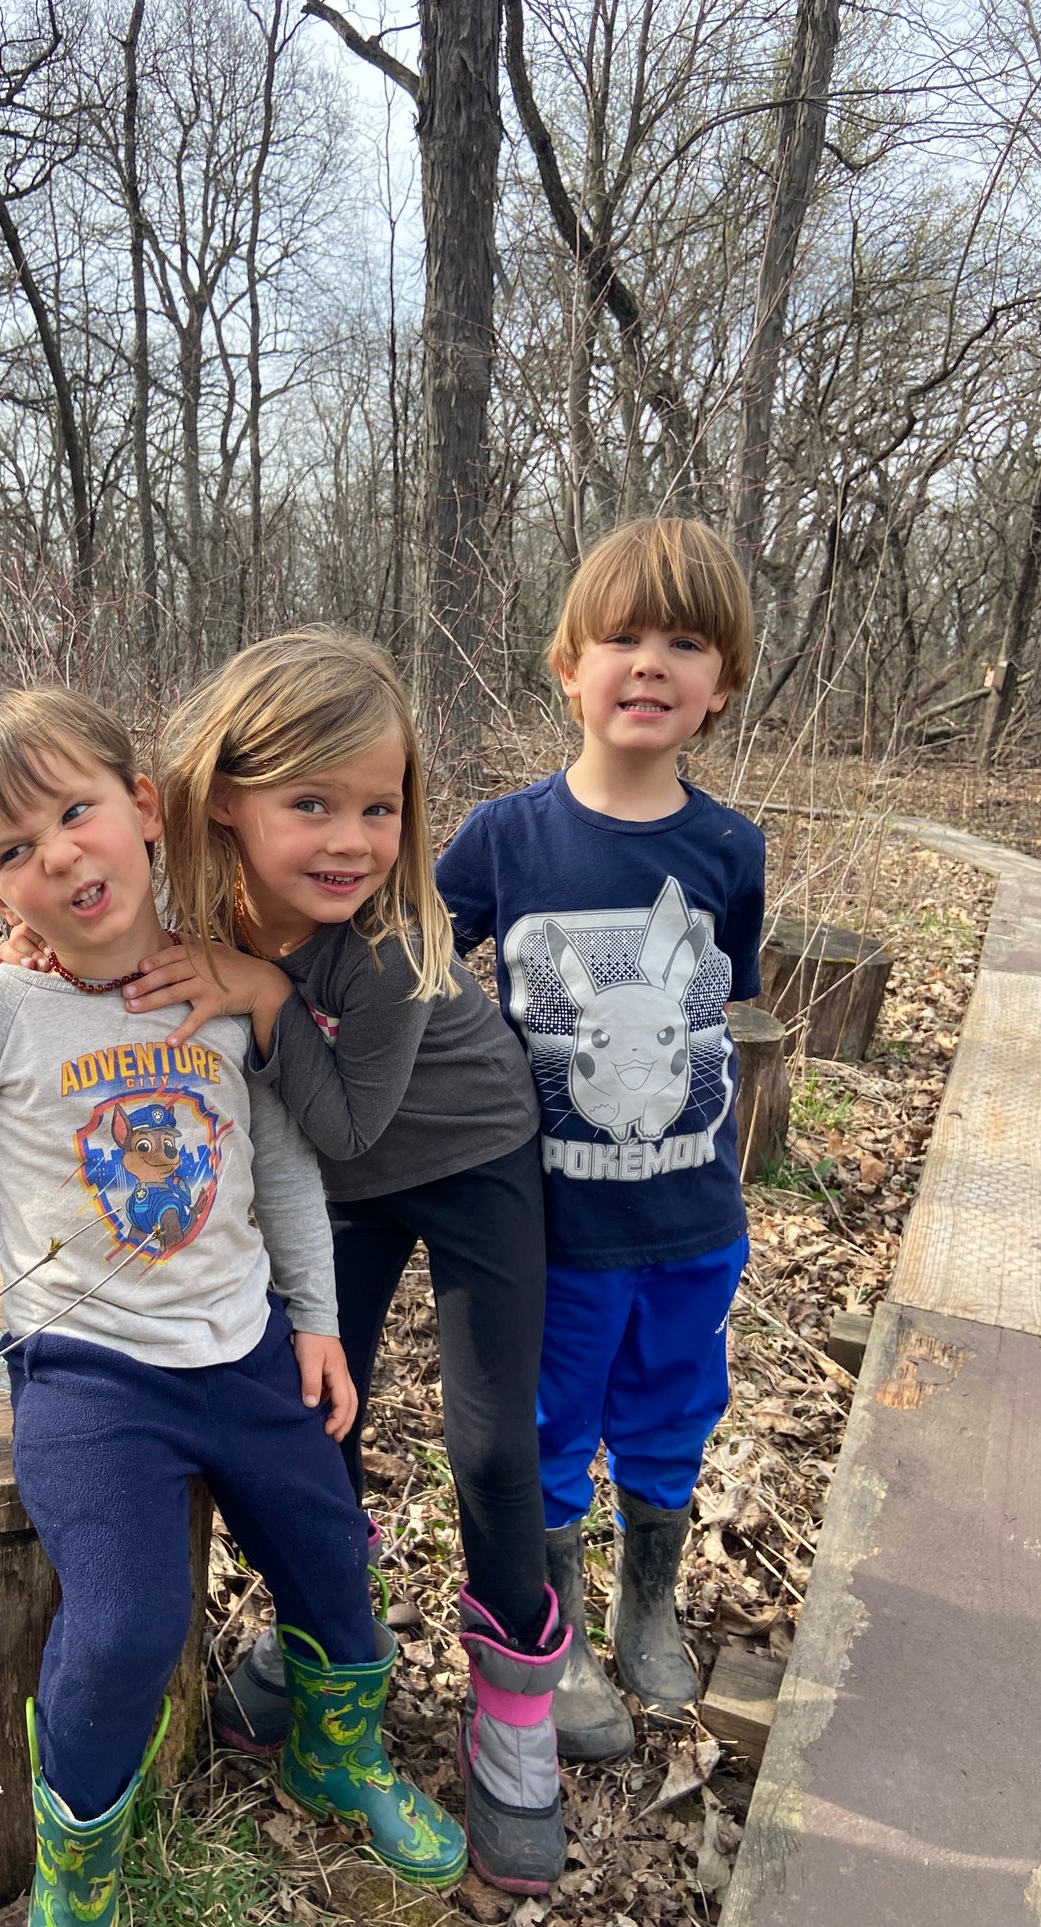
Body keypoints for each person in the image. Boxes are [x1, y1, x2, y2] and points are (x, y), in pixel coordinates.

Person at [0, 688, 467, 1927]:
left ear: (142, 809)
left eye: (76, 812)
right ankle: (76, 1869)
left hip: (241, 1347)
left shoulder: (212, 983)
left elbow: (286, 1157)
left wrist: (309, 1315)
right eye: (13, 850)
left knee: (332, 1555)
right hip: (91, 1375)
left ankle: (334, 1751)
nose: (60, 856)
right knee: (131, 1621)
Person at [119, 633, 568, 1896]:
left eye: (377, 807)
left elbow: (343, 1119)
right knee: (311, 1412)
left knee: (487, 1441)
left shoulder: (383, 940)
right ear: (223, 798)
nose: (349, 839)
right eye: (309, 803)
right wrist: (34, 959)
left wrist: (262, 992)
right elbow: (106, 936)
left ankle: (512, 1709)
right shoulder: (197, 904)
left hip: (476, 1159)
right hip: (340, 1193)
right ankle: (329, 1642)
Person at [436, 517, 765, 1764]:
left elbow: (719, 995)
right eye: (619, 635)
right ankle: (553, 1622)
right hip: (553, 1227)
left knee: (674, 1403)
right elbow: (404, 954)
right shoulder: (506, 839)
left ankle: (648, 1592)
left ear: (717, 689)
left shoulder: (726, 848)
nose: (648, 662)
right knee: (549, 1419)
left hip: (689, 1215)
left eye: (683, 642)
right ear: (565, 666)